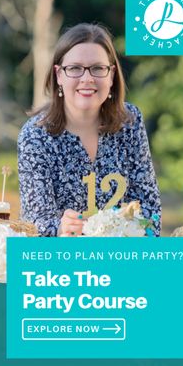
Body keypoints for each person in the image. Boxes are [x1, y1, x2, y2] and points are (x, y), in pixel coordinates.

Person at [18, 23, 161, 237]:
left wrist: (129, 229)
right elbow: (33, 224)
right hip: (63, 264)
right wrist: (59, 228)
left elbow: (151, 211)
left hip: (123, 259)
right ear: (59, 75)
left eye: (97, 68)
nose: (87, 79)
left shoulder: (130, 123)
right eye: (75, 68)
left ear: (111, 75)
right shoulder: (35, 135)